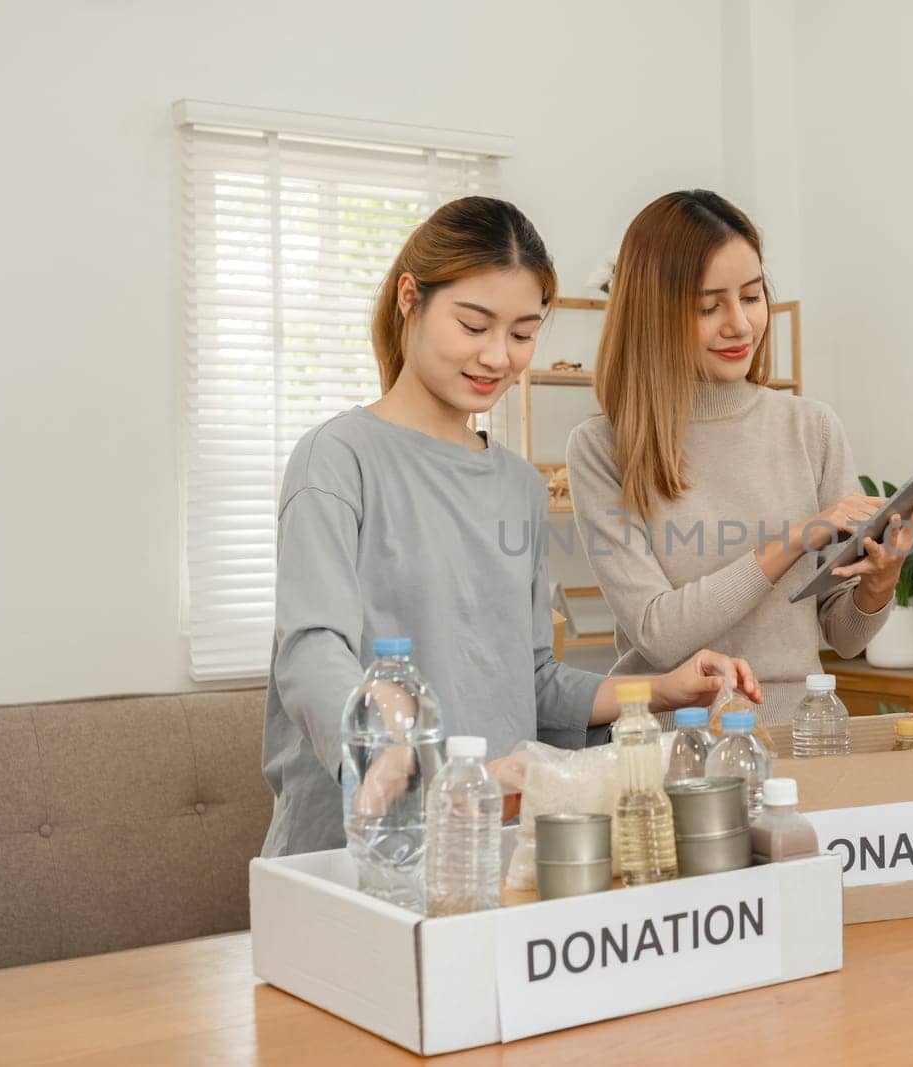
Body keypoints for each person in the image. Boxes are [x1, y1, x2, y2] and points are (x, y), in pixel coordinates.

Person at [262, 196, 759, 858]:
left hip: (491, 846)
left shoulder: (518, 485)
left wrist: (663, 688)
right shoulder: (337, 458)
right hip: (359, 851)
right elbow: (311, 650)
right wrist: (390, 746)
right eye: (474, 325)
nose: (497, 356)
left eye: (523, 334)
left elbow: (534, 680)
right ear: (411, 298)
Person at [566, 190, 913, 723]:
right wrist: (797, 539)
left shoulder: (813, 428)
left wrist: (878, 582)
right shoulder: (602, 447)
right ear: (653, 314)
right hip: (672, 741)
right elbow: (659, 634)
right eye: (708, 307)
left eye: (753, 297)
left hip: (800, 735)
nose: (740, 325)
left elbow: (844, 637)